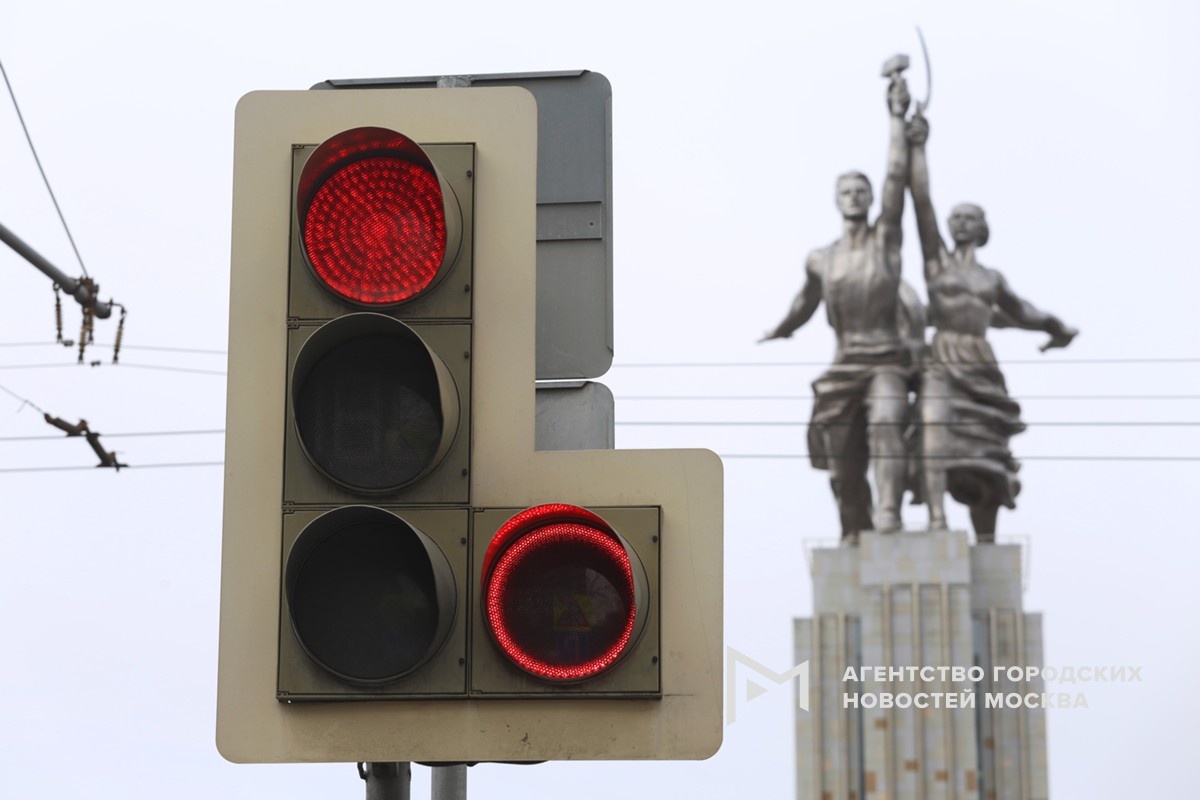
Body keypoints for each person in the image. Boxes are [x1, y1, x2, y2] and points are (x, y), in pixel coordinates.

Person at [905, 111, 1077, 541]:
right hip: (942, 359)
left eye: (970, 217)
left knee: (987, 453)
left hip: (980, 363)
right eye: (956, 217)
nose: (960, 222)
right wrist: (918, 147)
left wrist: (1057, 328)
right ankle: (937, 522)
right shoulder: (936, 264)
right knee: (934, 433)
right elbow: (921, 201)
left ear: (983, 229)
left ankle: (987, 539)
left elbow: (1024, 312)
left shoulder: (991, 279)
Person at [760, 72, 916, 540]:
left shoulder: (886, 242)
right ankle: (855, 527)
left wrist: (895, 119)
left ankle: (889, 513)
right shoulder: (821, 258)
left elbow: (895, 177)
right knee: (842, 460)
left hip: (886, 360)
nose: (855, 197)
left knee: (887, 421)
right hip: (844, 365)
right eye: (846, 192)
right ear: (835, 200)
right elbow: (804, 302)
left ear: (871, 201)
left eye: (861, 192)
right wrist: (782, 328)